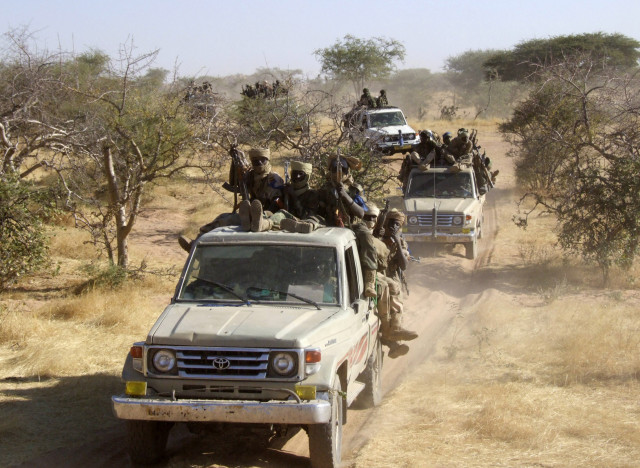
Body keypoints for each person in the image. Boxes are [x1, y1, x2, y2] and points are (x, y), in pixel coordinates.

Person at [178, 148, 284, 252]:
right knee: (222, 217)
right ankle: (196, 243)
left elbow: (276, 203)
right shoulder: (251, 176)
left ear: (268, 160)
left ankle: (195, 245)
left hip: (267, 214)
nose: (259, 163)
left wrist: (260, 215)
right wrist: (235, 162)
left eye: (262, 160)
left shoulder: (273, 179)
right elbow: (234, 182)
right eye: (255, 161)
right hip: (250, 212)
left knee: (226, 221)